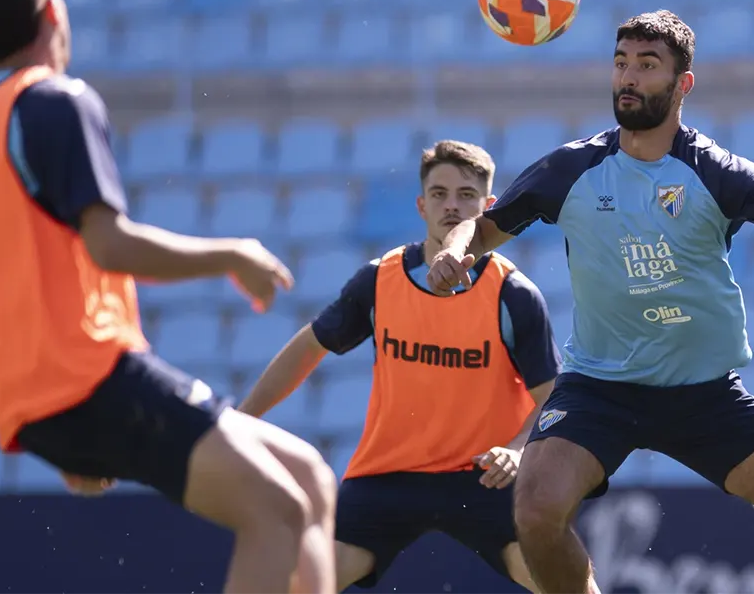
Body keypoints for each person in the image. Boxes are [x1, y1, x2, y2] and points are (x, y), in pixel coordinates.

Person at [427, 10, 754, 594]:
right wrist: (453, 250)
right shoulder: (572, 167)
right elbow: (481, 228)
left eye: (647, 65)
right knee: (535, 513)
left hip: (704, 394)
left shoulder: (714, 170)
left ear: (684, 83)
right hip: (598, 388)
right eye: (621, 63)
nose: (628, 77)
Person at [0, 0, 336, 594]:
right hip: (87, 376)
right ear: (52, 9)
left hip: (43, 401)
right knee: (276, 512)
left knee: (309, 481)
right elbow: (110, 246)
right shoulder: (57, 101)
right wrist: (231, 253)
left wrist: (55, 423)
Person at [239, 140, 559, 592]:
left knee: (565, 579)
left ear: (488, 207)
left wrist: (518, 451)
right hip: (389, 474)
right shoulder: (379, 280)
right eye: (439, 194)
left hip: (484, 474)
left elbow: (552, 398)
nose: (452, 206)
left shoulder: (514, 294)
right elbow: (308, 348)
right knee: (301, 584)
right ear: (421, 205)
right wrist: (240, 420)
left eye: (466, 195)